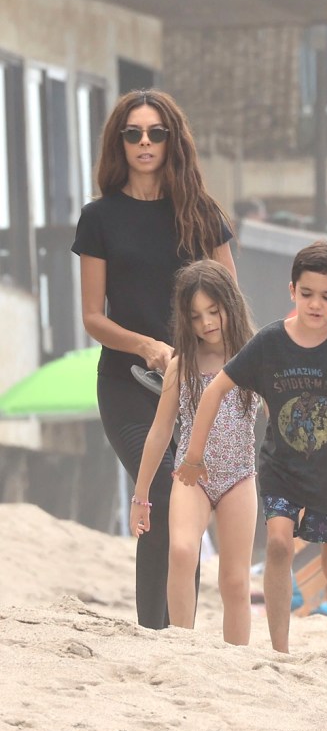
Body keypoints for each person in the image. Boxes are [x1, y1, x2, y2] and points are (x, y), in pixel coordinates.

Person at [72, 89, 236, 629]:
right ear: (119, 142)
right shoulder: (99, 217)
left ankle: (179, 630)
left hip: (195, 387)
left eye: (156, 133)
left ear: (173, 140)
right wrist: (146, 345)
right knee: (165, 491)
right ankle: (155, 631)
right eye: (134, 133)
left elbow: (229, 302)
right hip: (127, 382)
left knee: (185, 501)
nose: (145, 143)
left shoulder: (201, 213)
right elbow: (93, 317)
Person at [180, 240, 327, 660]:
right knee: (277, 543)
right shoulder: (270, 342)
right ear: (292, 290)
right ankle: (280, 652)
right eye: (307, 294)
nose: (315, 304)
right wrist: (194, 455)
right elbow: (215, 389)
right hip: (281, 468)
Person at [129, 261, 258, 643]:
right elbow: (159, 431)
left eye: (213, 311)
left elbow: (282, 420)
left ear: (229, 305)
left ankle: (237, 660)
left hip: (240, 476)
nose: (206, 323)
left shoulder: (254, 358)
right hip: (190, 476)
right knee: (183, 551)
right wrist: (141, 496)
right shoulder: (181, 366)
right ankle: (181, 647)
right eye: (196, 315)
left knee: (235, 580)